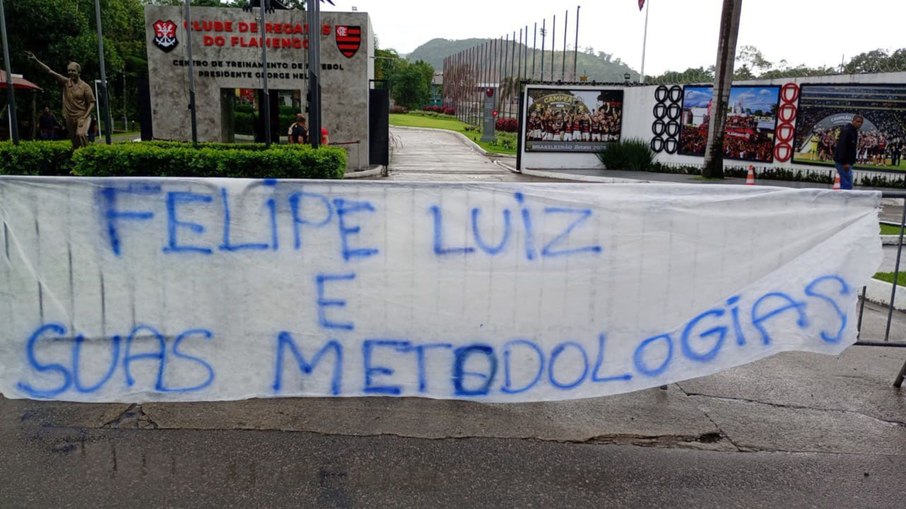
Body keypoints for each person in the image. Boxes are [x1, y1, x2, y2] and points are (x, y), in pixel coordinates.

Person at [25, 51, 95, 149]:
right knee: (74, 142)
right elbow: (49, 71)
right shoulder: (66, 83)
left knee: (81, 134)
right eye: (69, 70)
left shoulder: (85, 87)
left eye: (73, 71)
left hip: (82, 116)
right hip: (70, 117)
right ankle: (77, 159)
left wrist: (84, 117)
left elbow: (91, 103)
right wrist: (36, 60)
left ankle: (88, 154)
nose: (70, 73)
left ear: (79, 72)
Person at [833, 114, 863, 190]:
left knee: (846, 184)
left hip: (846, 162)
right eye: (858, 121)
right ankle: (844, 201)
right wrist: (845, 162)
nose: (859, 123)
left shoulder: (853, 131)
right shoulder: (847, 131)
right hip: (843, 163)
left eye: (861, 122)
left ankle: (843, 200)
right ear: (853, 121)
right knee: (847, 185)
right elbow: (842, 147)